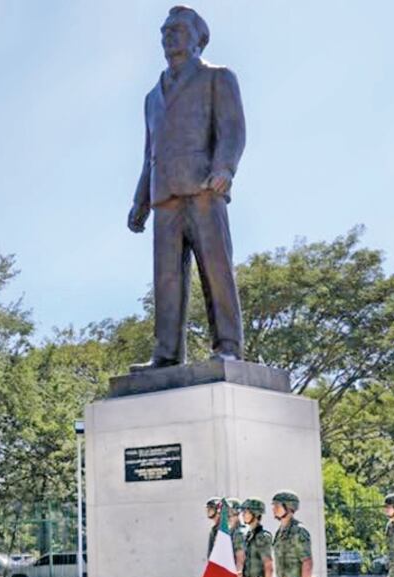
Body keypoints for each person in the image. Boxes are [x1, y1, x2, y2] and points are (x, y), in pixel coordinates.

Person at [127, 5, 247, 369]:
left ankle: (228, 344)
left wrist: (224, 168)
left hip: (204, 188)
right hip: (164, 195)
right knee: (165, 278)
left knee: (216, 268)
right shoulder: (151, 97)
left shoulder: (218, 77)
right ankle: (165, 353)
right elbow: (150, 152)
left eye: (177, 29)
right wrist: (139, 201)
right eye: (165, 30)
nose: (169, 35)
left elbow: (233, 130)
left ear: (198, 37)